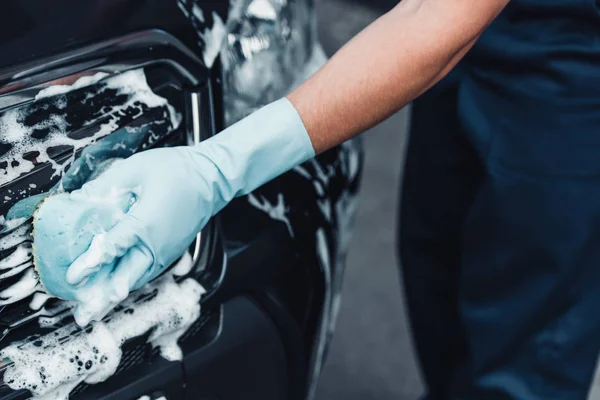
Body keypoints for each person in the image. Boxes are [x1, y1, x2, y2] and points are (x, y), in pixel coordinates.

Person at [35, 0, 600, 398]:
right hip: (465, 35)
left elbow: (440, 18)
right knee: (438, 262)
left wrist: (215, 170)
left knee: (532, 320)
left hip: (569, 57)